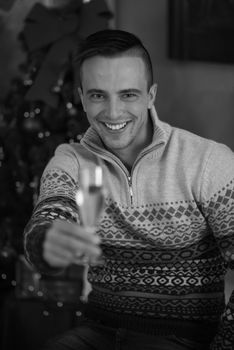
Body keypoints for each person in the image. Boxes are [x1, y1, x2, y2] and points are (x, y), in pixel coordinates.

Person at [24, 29, 234, 350]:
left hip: (185, 340)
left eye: (128, 94)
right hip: (97, 333)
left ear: (150, 95)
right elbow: (49, 215)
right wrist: (48, 239)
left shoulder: (208, 162)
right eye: (98, 95)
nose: (112, 112)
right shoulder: (73, 161)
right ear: (81, 98)